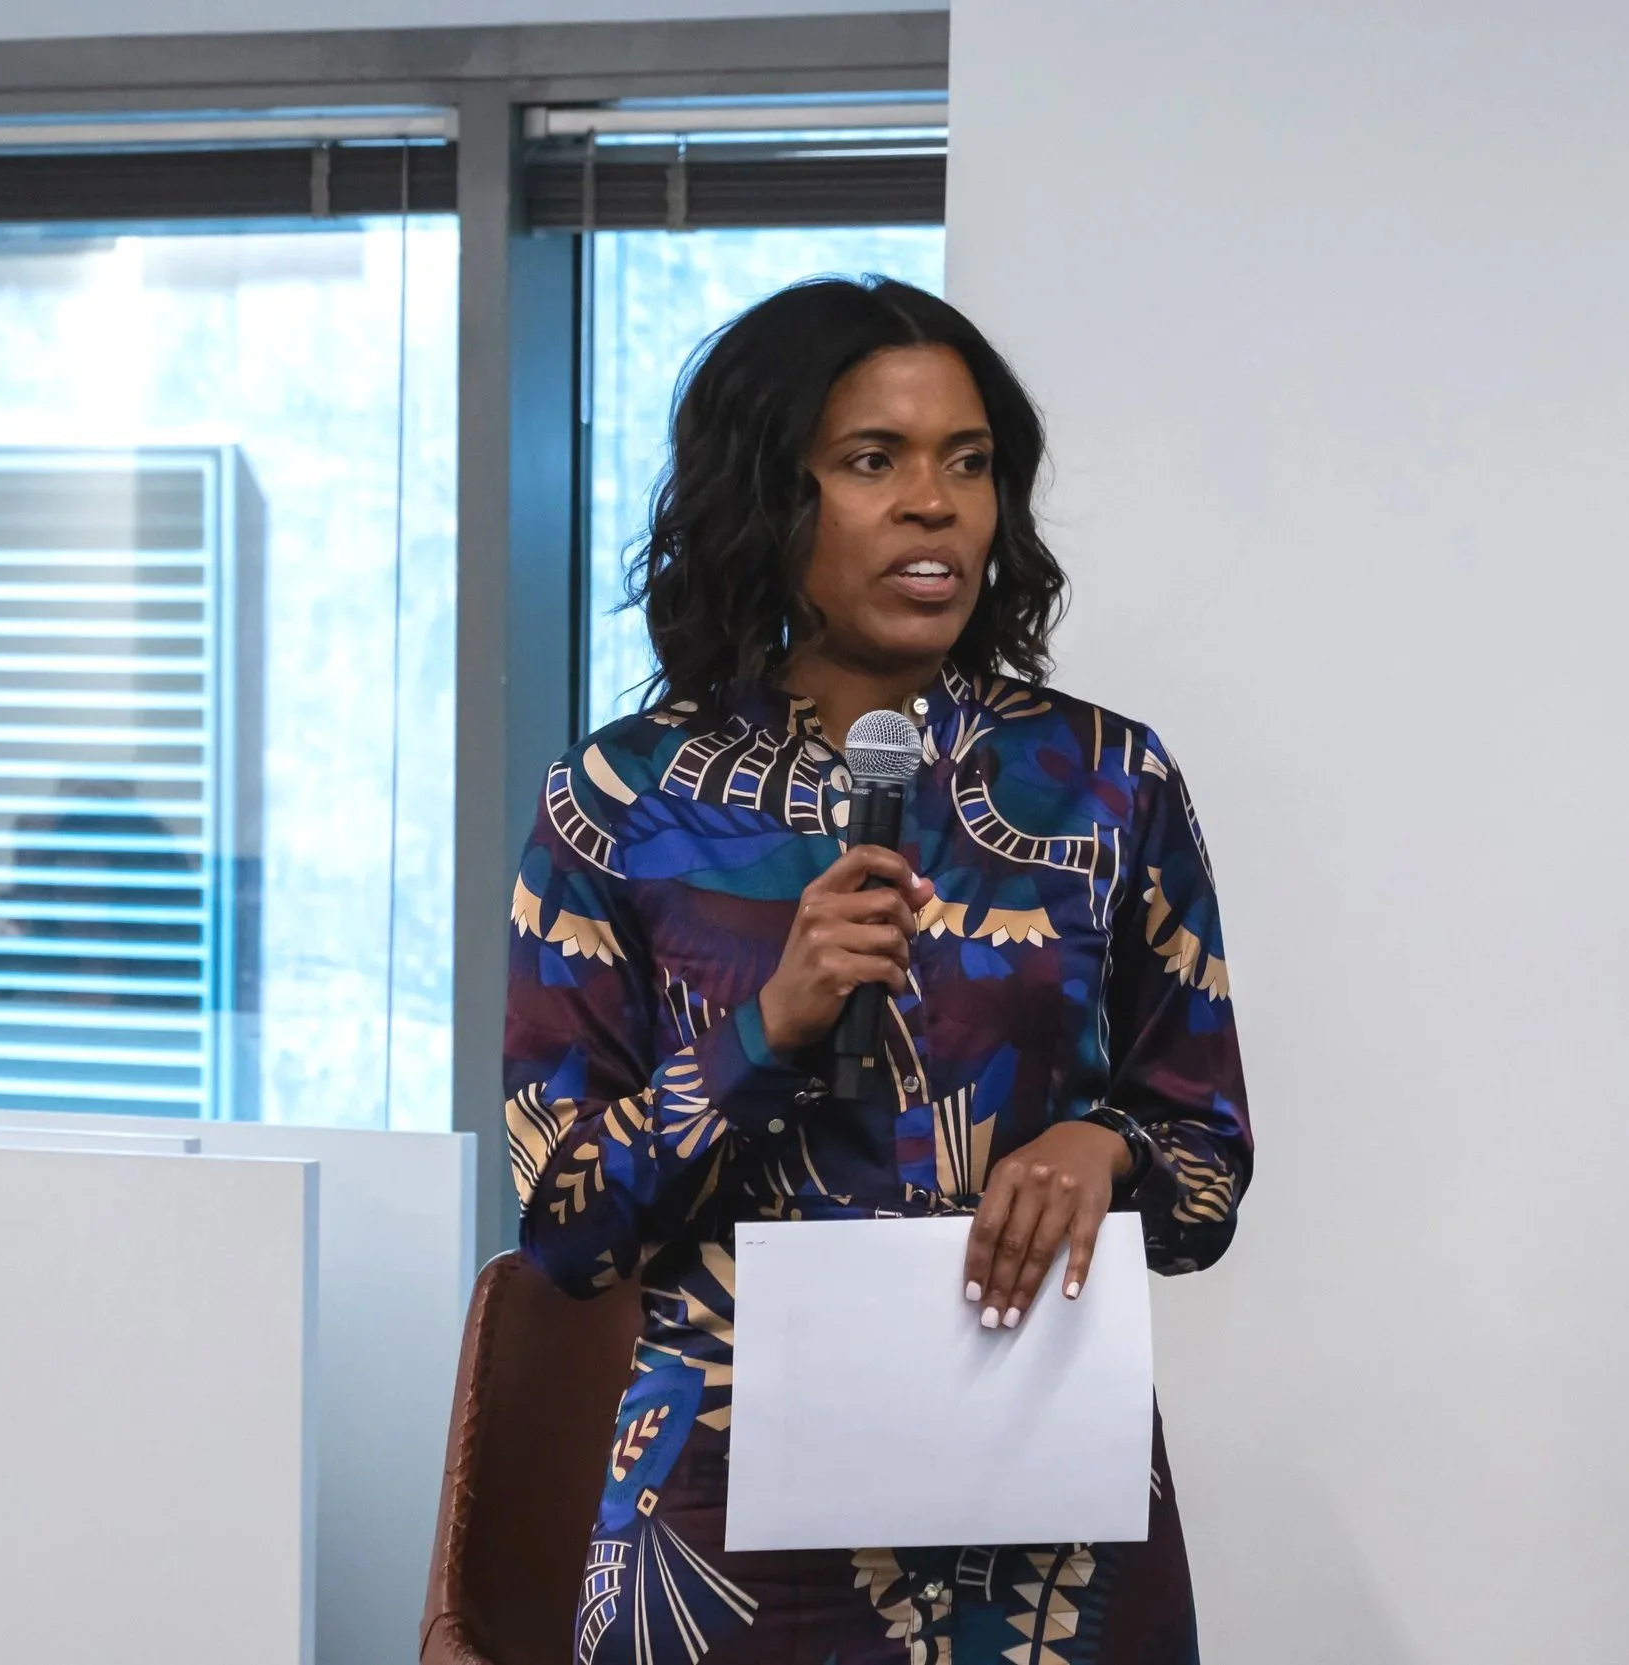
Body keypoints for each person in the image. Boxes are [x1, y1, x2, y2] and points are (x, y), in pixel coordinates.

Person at [501, 277, 1253, 1665]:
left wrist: (1105, 1147)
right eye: (871, 461)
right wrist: (764, 1030)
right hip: (726, 1544)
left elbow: (1205, 1171)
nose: (932, 505)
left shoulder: (1104, 782)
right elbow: (564, 1229)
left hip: (1049, 1538)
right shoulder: (618, 802)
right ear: (765, 498)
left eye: (968, 463)